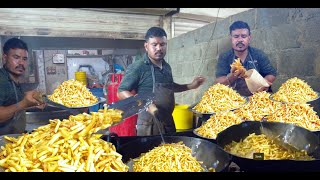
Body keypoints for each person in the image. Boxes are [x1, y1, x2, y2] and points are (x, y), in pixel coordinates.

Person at [117, 27, 205, 136]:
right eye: (154, 45)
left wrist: (190, 86)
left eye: (162, 44)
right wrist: (146, 104)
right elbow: (121, 92)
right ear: (146, 46)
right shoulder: (139, 67)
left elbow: (170, 87)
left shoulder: (167, 67)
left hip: (168, 121)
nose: (159, 48)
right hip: (149, 124)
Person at [214, 21, 277, 96]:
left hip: (258, 98)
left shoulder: (258, 54)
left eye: (244, 36)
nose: (240, 40)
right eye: (236, 36)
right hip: (236, 99)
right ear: (231, 38)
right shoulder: (224, 57)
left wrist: (264, 83)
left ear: (249, 38)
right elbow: (218, 82)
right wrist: (232, 76)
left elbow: (271, 73)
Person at [0, 37, 45, 135]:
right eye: (16, 57)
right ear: (4, 58)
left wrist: (33, 103)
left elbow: (12, 105)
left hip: (15, 138)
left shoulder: (14, 80)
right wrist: (24, 103)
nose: (21, 63)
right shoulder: (1, 79)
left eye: (24, 59)